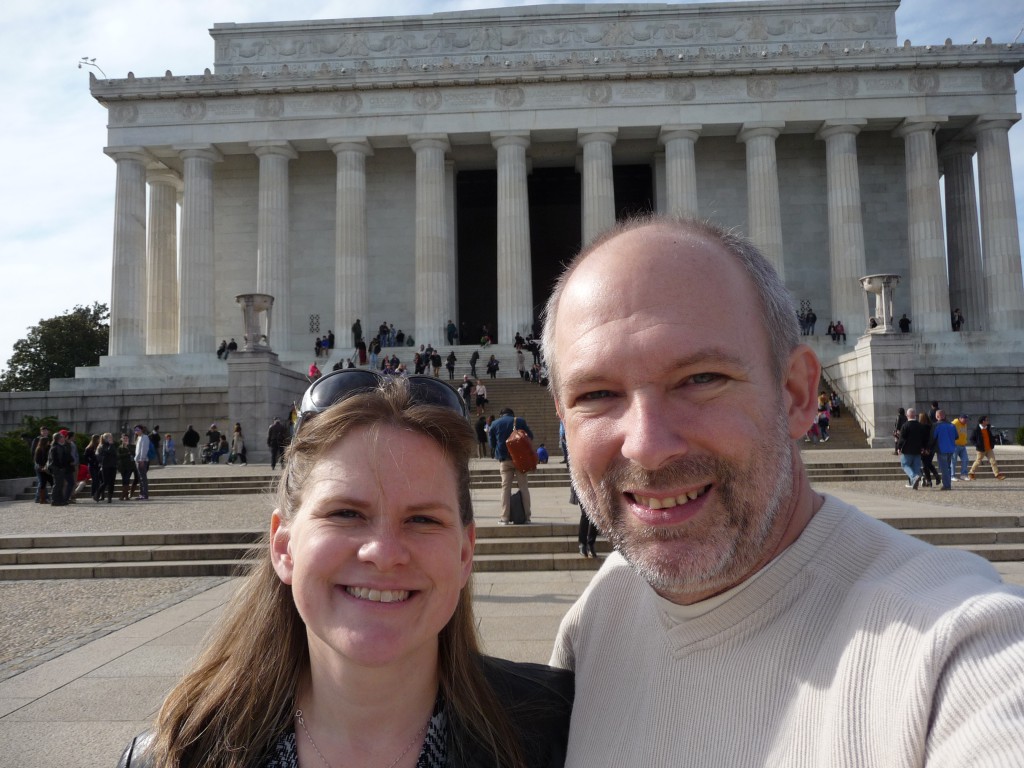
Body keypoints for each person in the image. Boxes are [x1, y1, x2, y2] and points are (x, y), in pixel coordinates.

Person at [540, 215, 1024, 766]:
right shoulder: (604, 612)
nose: (648, 446)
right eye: (597, 393)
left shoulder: (954, 648)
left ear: (797, 395)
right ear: (563, 420)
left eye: (702, 379)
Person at [116, 371, 572, 768]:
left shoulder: (563, 734)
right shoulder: (173, 757)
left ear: (464, 553)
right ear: (284, 546)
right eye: (346, 514)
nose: (383, 552)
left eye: (423, 519)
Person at [488, 407, 533, 525]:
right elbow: (530, 437)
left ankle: (505, 518)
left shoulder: (495, 423)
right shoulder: (520, 421)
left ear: (501, 415)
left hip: (504, 460)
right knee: (524, 487)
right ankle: (527, 517)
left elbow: (492, 443)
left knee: (505, 488)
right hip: (520, 459)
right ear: (513, 414)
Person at [968, 415, 1007, 481]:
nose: (988, 421)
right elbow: (971, 439)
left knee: (993, 462)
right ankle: (971, 473)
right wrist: (977, 445)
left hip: (989, 448)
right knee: (978, 462)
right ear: (983, 421)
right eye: (986, 420)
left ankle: (997, 475)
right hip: (981, 449)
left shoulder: (988, 428)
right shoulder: (976, 430)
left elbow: (990, 437)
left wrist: (994, 439)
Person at [931, 410, 958, 491]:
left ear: (937, 416)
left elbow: (933, 438)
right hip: (951, 448)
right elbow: (957, 436)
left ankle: (947, 485)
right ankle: (948, 483)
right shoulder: (952, 425)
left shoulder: (936, 425)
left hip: (941, 449)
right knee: (948, 467)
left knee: (944, 468)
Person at [47, 430, 73, 507]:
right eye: (61, 437)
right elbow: (55, 459)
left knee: (61, 484)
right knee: (58, 484)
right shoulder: (55, 447)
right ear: (58, 439)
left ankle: (60, 500)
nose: (63, 438)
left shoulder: (61, 446)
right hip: (57, 468)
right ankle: (55, 500)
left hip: (60, 468)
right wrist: (61, 467)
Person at [30, 425, 51, 503]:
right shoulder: (36, 440)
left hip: (46, 464)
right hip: (39, 463)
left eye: (46, 430)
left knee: (43, 481)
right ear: (40, 432)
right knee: (42, 481)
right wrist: (36, 462)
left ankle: (43, 497)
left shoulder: (48, 439)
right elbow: (33, 452)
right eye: (43, 431)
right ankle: (39, 497)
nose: (45, 432)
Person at [96, 432, 119, 503]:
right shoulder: (102, 446)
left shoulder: (112, 445)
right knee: (105, 482)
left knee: (112, 482)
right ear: (105, 438)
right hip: (105, 466)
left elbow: (115, 453)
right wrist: (111, 445)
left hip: (113, 466)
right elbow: (108, 452)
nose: (111, 438)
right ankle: (97, 494)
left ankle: (110, 497)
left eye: (111, 437)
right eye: (110, 437)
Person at [951, 413, 971, 481]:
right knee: (953, 461)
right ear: (960, 418)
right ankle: (952, 475)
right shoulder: (954, 423)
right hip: (955, 445)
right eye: (965, 419)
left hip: (962, 445)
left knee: (965, 460)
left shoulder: (964, 424)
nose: (966, 420)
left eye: (967, 419)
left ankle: (963, 474)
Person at [133, 425, 151, 500]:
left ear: (141, 430)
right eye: (135, 430)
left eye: (137, 429)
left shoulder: (145, 437)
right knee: (140, 478)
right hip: (137, 460)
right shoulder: (138, 437)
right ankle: (141, 493)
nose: (136, 431)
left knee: (143, 478)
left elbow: (144, 449)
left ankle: (145, 494)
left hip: (142, 460)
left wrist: (142, 459)